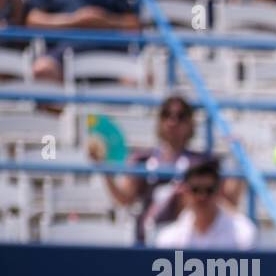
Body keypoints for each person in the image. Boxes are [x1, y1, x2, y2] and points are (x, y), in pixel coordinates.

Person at [88, 95, 242, 245]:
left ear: (190, 123)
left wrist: (239, 161)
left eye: (180, 116)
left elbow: (228, 202)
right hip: (149, 240)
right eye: (166, 114)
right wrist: (104, 168)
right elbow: (124, 198)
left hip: (188, 243)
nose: (172, 121)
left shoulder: (203, 163)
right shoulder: (142, 159)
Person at [24, 0, 141, 84]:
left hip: (108, 52)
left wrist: (105, 21)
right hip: (63, 52)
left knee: (137, 79)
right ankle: (62, 106)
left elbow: (133, 24)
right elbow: (33, 20)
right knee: (43, 69)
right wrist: (74, 21)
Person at [154, 160, 257, 250]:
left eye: (209, 190)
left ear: (219, 192)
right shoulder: (168, 239)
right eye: (195, 190)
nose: (202, 197)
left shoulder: (243, 233)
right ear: (185, 192)